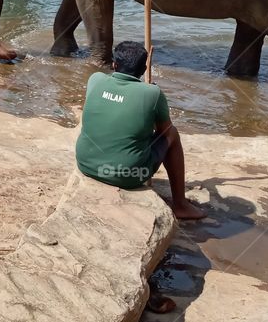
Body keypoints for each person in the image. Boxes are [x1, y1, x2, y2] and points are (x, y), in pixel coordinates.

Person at [75, 41, 205, 220]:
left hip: (85, 164)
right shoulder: (152, 93)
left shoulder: (95, 79)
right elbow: (164, 131)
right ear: (144, 68)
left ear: (114, 64)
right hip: (129, 176)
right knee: (172, 133)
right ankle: (180, 204)